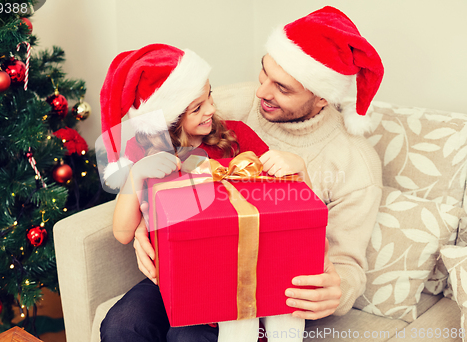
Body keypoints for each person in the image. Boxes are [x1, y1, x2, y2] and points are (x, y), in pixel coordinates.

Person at [133, 4, 384, 333]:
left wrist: (337, 292)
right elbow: (153, 130)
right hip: (193, 259)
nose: (261, 91)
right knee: (125, 323)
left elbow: (347, 264)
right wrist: (144, 220)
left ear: (323, 97)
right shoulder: (230, 105)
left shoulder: (355, 163)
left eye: (283, 88)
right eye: (264, 72)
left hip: (265, 289)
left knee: (187, 335)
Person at [99, 44, 310, 342]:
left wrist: (294, 167)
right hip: (170, 276)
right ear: (167, 119)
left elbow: (280, 202)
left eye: (209, 95)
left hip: (226, 275)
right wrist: (136, 175)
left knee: (187, 336)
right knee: (121, 324)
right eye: (197, 107)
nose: (211, 108)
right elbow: (122, 233)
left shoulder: (236, 138)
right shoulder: (144, 152)